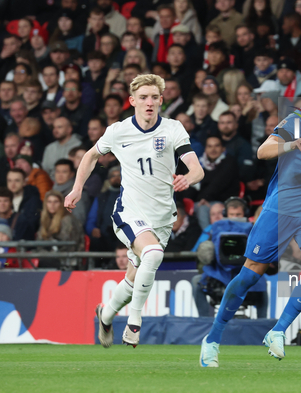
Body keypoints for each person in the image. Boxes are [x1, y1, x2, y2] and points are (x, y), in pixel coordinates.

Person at [200, 67, 301, 367]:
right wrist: (292, 144)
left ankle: (277, 331)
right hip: (281, 208)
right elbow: (264, 151)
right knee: (249, 276)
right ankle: (212, 339)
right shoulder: (299, 119)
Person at [64, 74, 204, 348]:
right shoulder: (118, 131)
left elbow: (196, 166)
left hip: (162, 217)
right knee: (152, 254)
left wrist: (189, 177)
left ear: (161, 101)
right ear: (132, 101)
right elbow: (91, 155)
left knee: (134, 277)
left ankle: (104, 316)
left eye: (154, 97)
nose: (149, 102)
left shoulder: (173, 129)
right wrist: (77, 188)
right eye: (143, 97)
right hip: (130, 211)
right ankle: (135, 323)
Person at [37, 190, 85, 269]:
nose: (52, 205)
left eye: (56, 202)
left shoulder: (68, 220)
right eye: (49, 202)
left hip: (67, 259)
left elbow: (68, 245)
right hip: (50, 256)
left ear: (61, 204)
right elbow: (39, 241)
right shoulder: (45, 220)